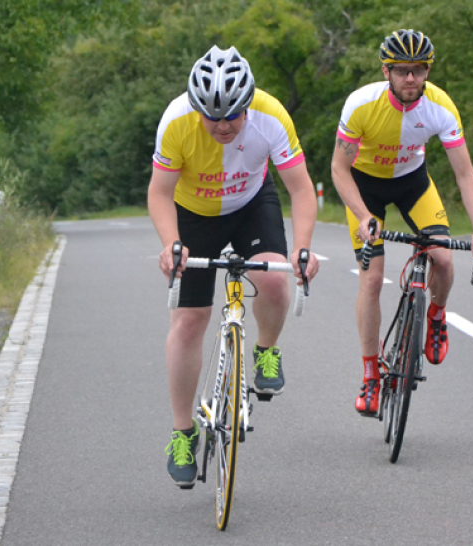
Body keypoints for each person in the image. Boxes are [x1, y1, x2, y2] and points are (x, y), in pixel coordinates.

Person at [148, 45, 319, 487]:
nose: (222, 126)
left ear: (248, 105)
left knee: (273, 275)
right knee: (189, 321)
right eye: (212, 117)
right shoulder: (176, 120)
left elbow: (301, 190)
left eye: (233, 116)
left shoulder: (272, 116)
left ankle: (265, 349)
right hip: (192, 213)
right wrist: (171, 245)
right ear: (195, 107)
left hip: (250, 204)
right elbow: (159, 193)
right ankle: (182, 431)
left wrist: (302, 250)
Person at [330, 29, 473, 416]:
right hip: (364, 188)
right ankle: (371, 376)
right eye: (402, 70)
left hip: (412, 183)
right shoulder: (361, 104)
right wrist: (364, 216)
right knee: (371, 279)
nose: (410, 79)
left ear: (427, 71)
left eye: (419, 70)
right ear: (386, 71)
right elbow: (338, 169)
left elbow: (465, 174)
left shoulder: (441, 107)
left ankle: (436, 314)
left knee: (444, 259)